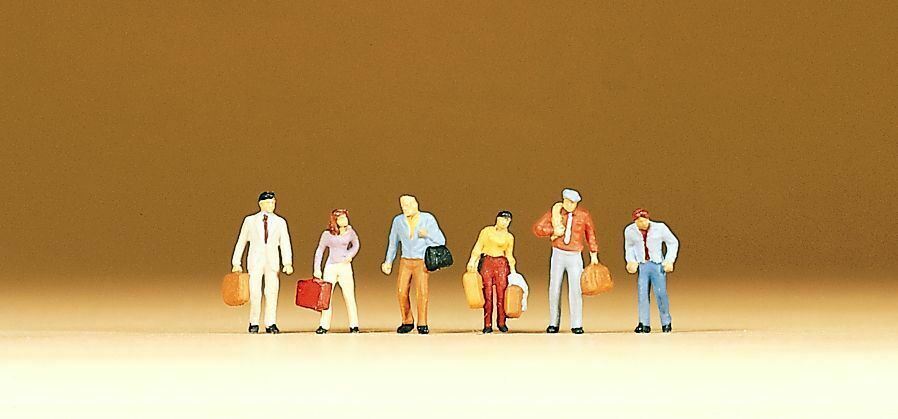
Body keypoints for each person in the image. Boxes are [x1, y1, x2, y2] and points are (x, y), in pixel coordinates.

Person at [532, 188, 600, 334]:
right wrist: (552, 231)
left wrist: (593, 253)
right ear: (563, 201)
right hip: (558, 253)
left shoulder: (583, 215)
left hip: (575, 255)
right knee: (554, 288)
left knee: (576, 290)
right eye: (568, 202)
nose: (570, 205)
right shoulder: (555, 214)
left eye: (573, 203)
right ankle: (553, 322)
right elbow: (538, 228)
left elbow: (590, 234)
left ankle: (577, 324)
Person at [382, 195, 446, 334]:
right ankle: (407, 320)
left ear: (416, 204)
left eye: (408, 205)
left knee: (422, 292)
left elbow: (441, 240)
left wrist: (427, 234)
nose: (406, 208)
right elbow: (393, 243)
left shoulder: (428, 219)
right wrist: (388, 261)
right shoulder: (398, 221)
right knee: (401, 291)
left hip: (421, 261)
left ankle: (422, 322)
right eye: (403, 206)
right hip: (405, 261)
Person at [231, 191, 294, 334]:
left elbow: (285, 242)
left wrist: (287, 262)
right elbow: (241, 241)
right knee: (254, 292)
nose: (272, 205)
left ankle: (270, 323)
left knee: (272, 292)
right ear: (261, 204)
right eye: (269, 202)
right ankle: (254, 322)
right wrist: (236, 262)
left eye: (273, 202)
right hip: (255, 260)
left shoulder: (280, 222)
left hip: (272, 261)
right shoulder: (250, 221)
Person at [624, 208, 679, 333]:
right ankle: (644, 323)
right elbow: (629, 247)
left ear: (648, 219)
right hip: (643, 266)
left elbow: (673, 242)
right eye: (638, 222)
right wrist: (631, 261)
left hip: (657, 265)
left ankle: (666, 322)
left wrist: (669, 260)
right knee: (642, 294)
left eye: (644, 221)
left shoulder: (660, 228)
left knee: (661, 294)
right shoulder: (630, 231)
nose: (642, 224)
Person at [467, 211, 517, 333]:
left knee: (502, 294)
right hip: (487, 263)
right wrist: (472, 261)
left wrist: (513, 270)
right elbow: (478, 246)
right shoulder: (487, 231)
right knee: (487, 294)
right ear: (497, 219)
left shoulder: (509, 237)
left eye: (507, 220)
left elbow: (509, 254)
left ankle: (501, 322)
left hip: (501, 264)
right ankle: (487, 324)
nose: (504, 222)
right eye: (502, 219)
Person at [313, 209, 360, 334]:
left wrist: (350, 255)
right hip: (331, 268)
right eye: (342, 218)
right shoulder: (327, 235)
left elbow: (356, 244)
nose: (345, 220)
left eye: (346, 217)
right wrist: (317, 268)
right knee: (326, 298)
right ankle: (324, 325)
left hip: (345, 267)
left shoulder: (350, 232)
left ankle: (354, 324)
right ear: (335, 221)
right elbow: (320, 251)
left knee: (349, 296)